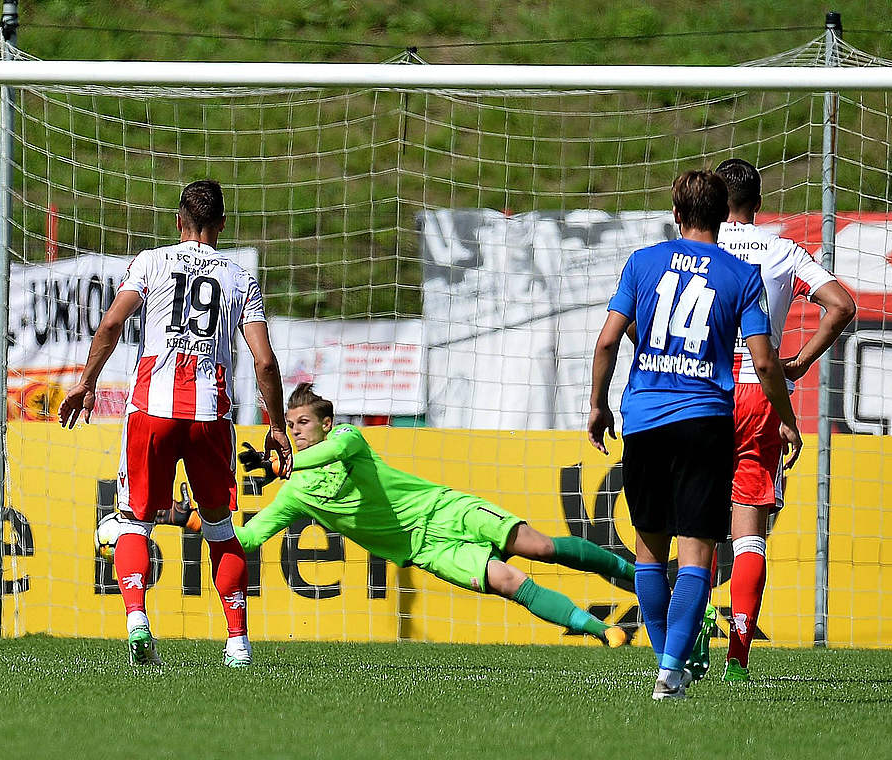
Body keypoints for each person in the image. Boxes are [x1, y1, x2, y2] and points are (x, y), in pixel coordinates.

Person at [174, 383, 636, 648]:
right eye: (290, 425)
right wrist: (191, 521)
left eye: (303, 423)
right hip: (425, 547)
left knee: (541, 547)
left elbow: (325, 454)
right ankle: (601, 631)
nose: (295, 432)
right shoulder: (296, 492)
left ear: (325, 423)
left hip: (443, 508)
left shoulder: (348, 440)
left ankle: (633, 574)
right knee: (509, 583)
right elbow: (249, 538)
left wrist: (281, 464)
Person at [58, 180, 292, 668]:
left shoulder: (151, 262)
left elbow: (110, 324)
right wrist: (275, 426)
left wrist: (85, 382)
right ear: (222, 226)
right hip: (210, 416)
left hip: (152, 411)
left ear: (178, 221)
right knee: (220, 528)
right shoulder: (240, 278)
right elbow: (265, 362)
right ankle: (237, 644)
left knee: (133, 522)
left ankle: (138, 620)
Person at [589, 170, 801, 700]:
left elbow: (607, 342)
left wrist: (596, 405)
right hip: (706, 419)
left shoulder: (642, 262)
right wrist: (787, 418)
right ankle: (670, 671)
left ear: (677, 214)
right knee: (697, 554)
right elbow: (764, 363)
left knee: (647, 551)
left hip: (643, 418)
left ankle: (666, 663)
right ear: (724, 212)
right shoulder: (740, 274)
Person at [712, 158, 856, 682]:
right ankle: (739, 652)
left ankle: (693, 632)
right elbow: (841, 305)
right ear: (756, 201)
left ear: (712, 196)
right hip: (760, 390)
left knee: (698, 523)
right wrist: (800, 362)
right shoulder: (782, 251)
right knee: (749, 531)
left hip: (699, 387)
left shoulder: (694, 246)